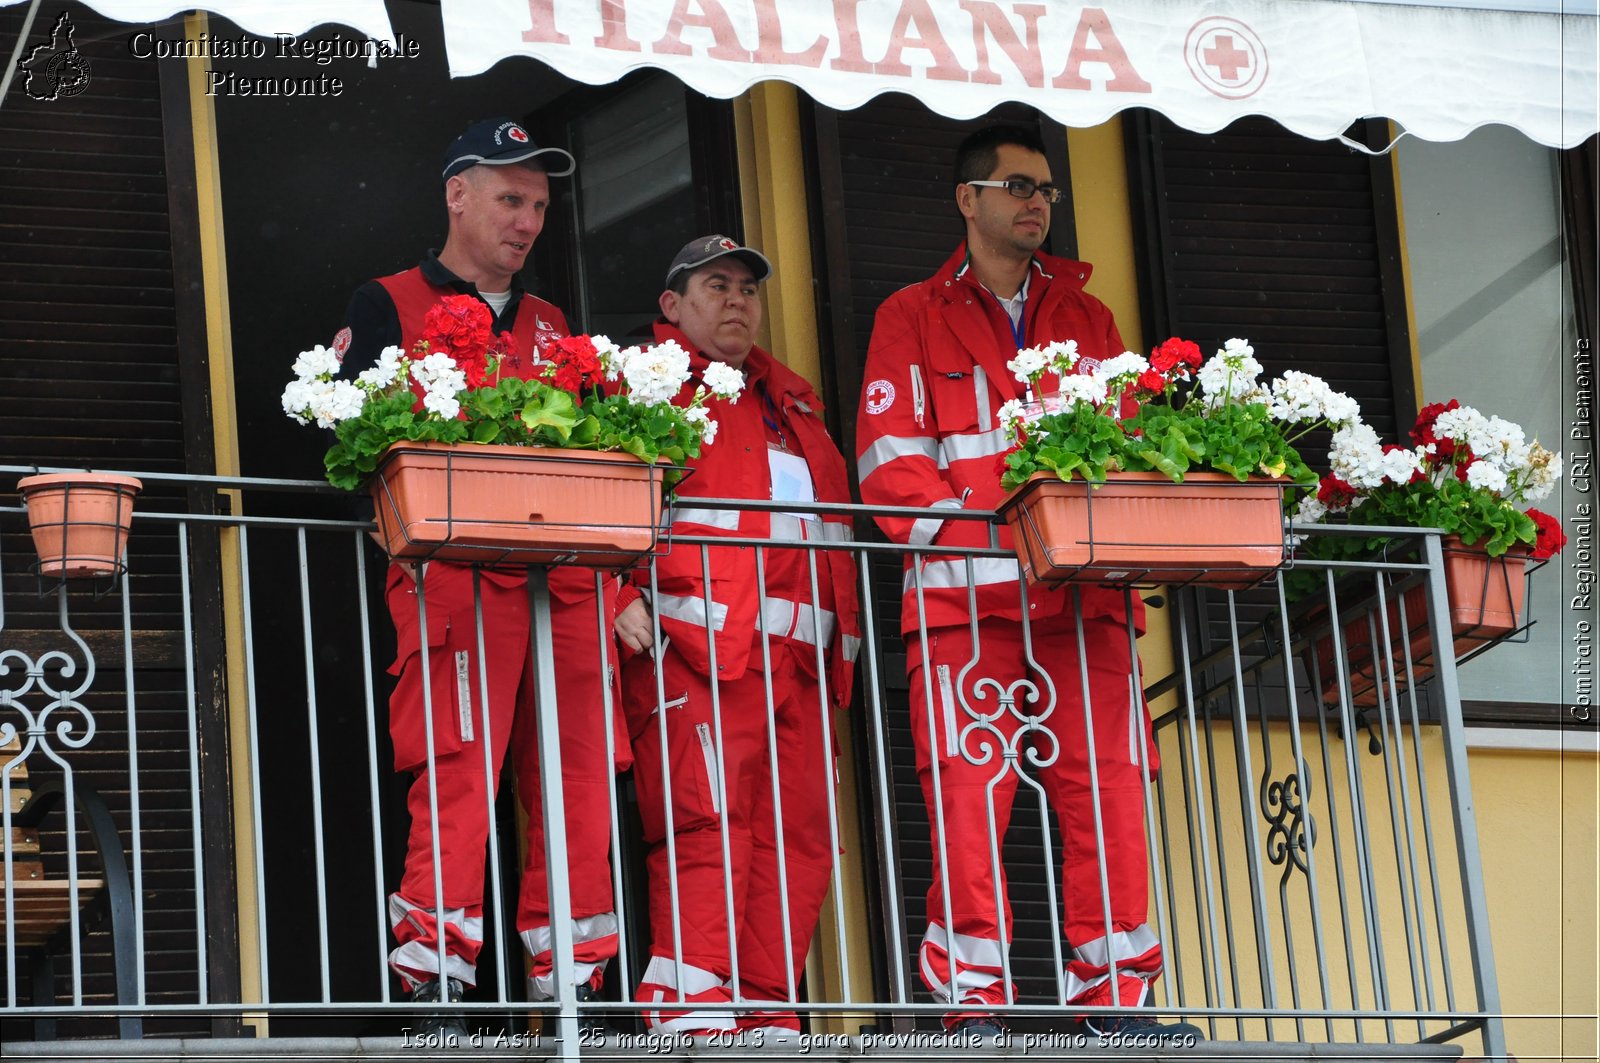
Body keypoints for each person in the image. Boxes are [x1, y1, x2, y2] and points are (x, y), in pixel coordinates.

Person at [854, 124, 1199, 1041]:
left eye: (1046, 187)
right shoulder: (910, 314)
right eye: (1016, 184)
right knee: (968, 804)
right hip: (965, 608)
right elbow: (890, 471)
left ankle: (1118, 1002)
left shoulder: (1090, 320)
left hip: (1085, 605)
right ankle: (974, 1003)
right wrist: (1014, 543)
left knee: (1112, 797)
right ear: (968, 200)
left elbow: (1132, 459)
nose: (1038, 200)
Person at [337, 117, 625, 1033]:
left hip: (565, 582)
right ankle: (435, 983)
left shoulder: (554, 324)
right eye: (511, 197)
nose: (529, 219)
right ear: (457, 195)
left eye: (540, 204)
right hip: (454, 577)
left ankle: (571, 984)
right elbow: (354, 444)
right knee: (455, 775)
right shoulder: (386, 299)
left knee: (578, 781)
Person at [612, 235, 859, 1037]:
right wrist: (610, 591)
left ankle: (766, 1008)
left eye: (749, 288)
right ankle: (689, 1007)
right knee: (707, 824)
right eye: (716, 285)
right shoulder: (646, 388)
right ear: (672, 305)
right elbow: (591, 496)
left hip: (801, 664)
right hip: (698, 650)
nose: (737, 300)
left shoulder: (793, 402)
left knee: (799, 838)